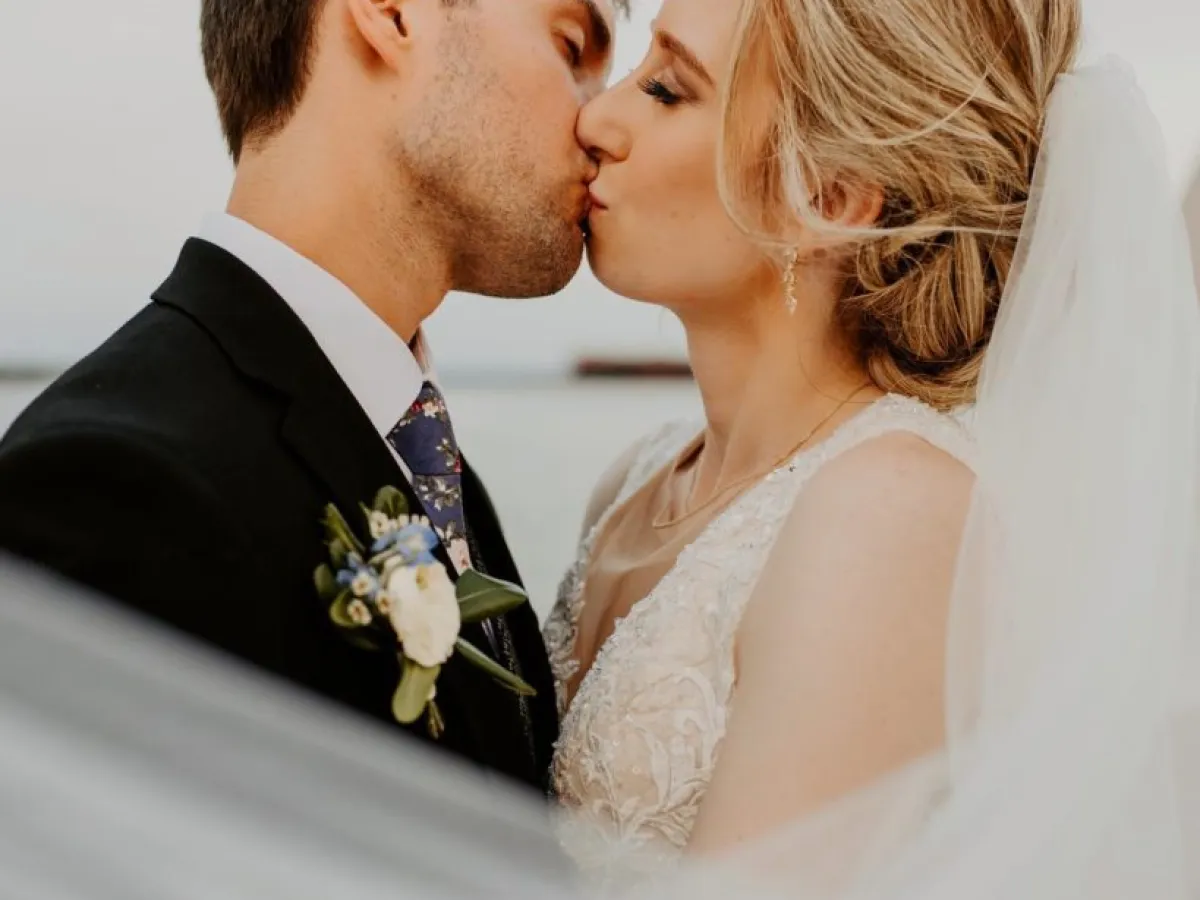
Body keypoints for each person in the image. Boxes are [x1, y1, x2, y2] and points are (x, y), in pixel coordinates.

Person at [543, 0, 1200, 890]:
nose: (597, 121)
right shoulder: (641, 478)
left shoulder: (890, 513)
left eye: (666, 89)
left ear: (830, 201)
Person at [0, 0, 620, 796]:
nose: (603, 120)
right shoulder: (106, 487)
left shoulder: (428, 459)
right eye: (571, 47)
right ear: (393, 14)